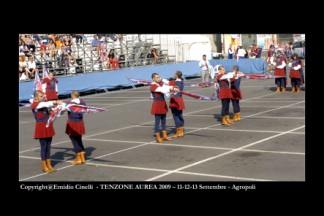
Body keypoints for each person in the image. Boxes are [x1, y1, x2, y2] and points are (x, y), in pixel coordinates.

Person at [31, 90, 62, 173]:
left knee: (48, 146)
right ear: (36, 97)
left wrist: (57, 110)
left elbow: (50, 113)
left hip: (48, 126)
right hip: (41, 127)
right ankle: (44, 166)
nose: (43, 97)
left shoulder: (43, 105)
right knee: (44, 146)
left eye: (43, 96)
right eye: (41, 96)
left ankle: (49, 165)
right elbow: (46, 104)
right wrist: (56, 102)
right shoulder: (35, 105)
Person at [150, 73, 179, 143]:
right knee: (157, 121)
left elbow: (166, 91)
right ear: (153, 79)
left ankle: (164, 135)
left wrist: (174, 90)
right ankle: (157, 137)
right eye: (157, 77)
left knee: (163, 120)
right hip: (157, 105)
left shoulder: (159, 84)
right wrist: (171, 89)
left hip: (162, 103)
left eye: (159, 77)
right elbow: (163, 90)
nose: (158, 78)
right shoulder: (153, 86)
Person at [65, 90, 87, 165]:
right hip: (80, 122)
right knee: (79, 139)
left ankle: (78, 158)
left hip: (73, 123)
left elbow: (63, 109)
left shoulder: (70, 103)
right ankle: (82, 157)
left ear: (72, 95)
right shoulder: (82, 102)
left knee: (74, 141)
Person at [167, 71, 185, 138]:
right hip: (180, 99)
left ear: (177, 75)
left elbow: (174, 90)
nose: (174, 75)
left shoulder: (176, 82)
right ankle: (181, 130)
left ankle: (178, 131)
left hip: (175, 100)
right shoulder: (181, 82)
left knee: (175, 116)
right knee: (180, 115)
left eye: (175, 74)